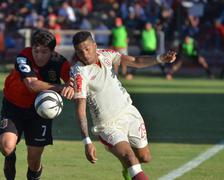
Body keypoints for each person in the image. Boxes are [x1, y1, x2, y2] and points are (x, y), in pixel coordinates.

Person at [70, 31, 176, 180]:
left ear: (95, 45)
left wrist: (160, 58)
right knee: (130, 157)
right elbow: (80, 108)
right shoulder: (79, 72)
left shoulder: (106, 54)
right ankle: (130, 167)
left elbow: (136, 61)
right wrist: (86, 141)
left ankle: (128, 170)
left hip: (128, 112)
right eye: (80, 51)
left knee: (145, 157)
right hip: (107, 125)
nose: (85, 54)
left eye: (87, 49)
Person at [0, 29, 74, 180]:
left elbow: (73, 82)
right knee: (7, 147)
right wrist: (60, 88)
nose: (39, 55)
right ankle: (10, 158)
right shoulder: (23, 57)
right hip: (14, 106)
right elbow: (31, 84)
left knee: (34, 160)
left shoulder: (60, 63)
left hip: (40, 112)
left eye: (44, 52)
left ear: (52, 52)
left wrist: (72, 87)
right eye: (36, 50)